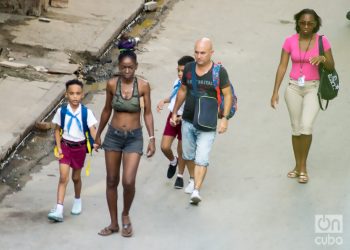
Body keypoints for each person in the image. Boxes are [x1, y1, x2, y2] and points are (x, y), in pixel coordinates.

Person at [94, 49, 155, 237]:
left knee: (128, 181)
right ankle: (113, 223)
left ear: (136, 67)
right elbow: (106, 110)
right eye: (123, 67)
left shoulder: (144, 86)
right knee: (112, 180)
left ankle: (125, 214)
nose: (127, 71)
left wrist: (152, 138)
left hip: (134, 138)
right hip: (113, 136)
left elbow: (147, 113)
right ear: (119, 68)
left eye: (130, 67)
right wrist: (98, 134)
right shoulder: (112, 84)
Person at [271, 9, 335, 183]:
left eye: (310, 23)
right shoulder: (289, 41)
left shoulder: (323, 41)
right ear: (297, 23)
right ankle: (297, 165)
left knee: (306, 126)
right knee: (296, 128)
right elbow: (282, 66)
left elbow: (331, 65)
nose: (306, 26)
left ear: (316, 25)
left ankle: (303, 166)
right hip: (293, 87)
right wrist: (275, 91)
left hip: (313, 88)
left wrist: (322, 58)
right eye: (302, 23)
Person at [170, 37, 233, 205]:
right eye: (196, 52)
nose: (199, 56)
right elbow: (183, 90)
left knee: (202, 157)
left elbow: (228, 95)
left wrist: (225, 119)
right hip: (188, 119)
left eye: (203, 53)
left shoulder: (219, 72)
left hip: (207, 122)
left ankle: (197, 189)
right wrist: (175, 112)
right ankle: (192, 179)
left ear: (211, 53)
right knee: (188, 154)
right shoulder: (189, 68)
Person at [48, 79, 98, 222]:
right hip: (65, 146)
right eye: (71, 93)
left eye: (78, 93)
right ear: (66, 95)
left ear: (82, 95)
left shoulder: (86, 113)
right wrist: (58, 146)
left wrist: (97, 143)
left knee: (76, 177)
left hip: (80, 148)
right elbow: (57, 130)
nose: (75, 96)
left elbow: (93, 130)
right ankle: (59, 209)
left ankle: (77, 199)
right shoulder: (61, 111)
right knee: (63, 177)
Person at [156, 55, 195, 189]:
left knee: (181, 149)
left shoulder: (194, 87)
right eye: (178, 70)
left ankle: (179, 176)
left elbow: (193, 109)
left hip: (186, 120)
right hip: (172, 116)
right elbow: (174, 95)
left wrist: (180, 118)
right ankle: (173, 162)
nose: (179, 74)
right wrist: (164, 100)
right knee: (164, 147)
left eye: (182, 71)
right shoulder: (177, 81)